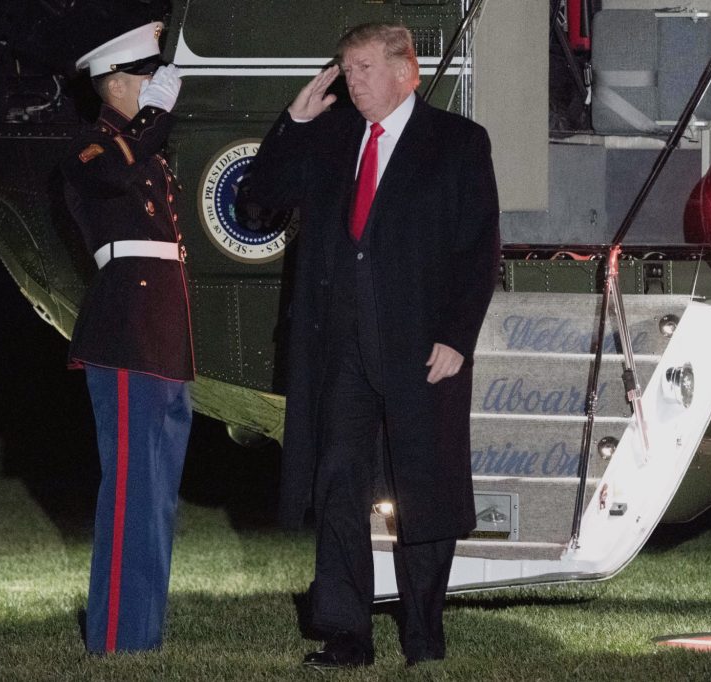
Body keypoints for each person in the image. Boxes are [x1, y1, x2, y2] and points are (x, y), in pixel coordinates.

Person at [240, 22, 500, 668]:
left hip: (421, 346)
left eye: (363, 68)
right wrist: (293, 124)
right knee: (337, 481)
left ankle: (423, 638)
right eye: (346, 69)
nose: (352, 81)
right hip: (340, 349)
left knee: (423, 488)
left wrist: (457, 336)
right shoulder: (329, 136)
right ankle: (346, 634)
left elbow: (478, 249)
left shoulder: (458, 143)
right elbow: (257, 204)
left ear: (406, 71)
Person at [61, 21, 193, 654]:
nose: (158, 86)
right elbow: (112, 172)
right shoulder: (90, 148)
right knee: (130, 491)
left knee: (157, 494)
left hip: (162, 331)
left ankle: (142, 634)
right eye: (146, 78)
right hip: (125, 332)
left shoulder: (145, 149)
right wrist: (153, 119)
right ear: (114, 83)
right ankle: (117, 637)